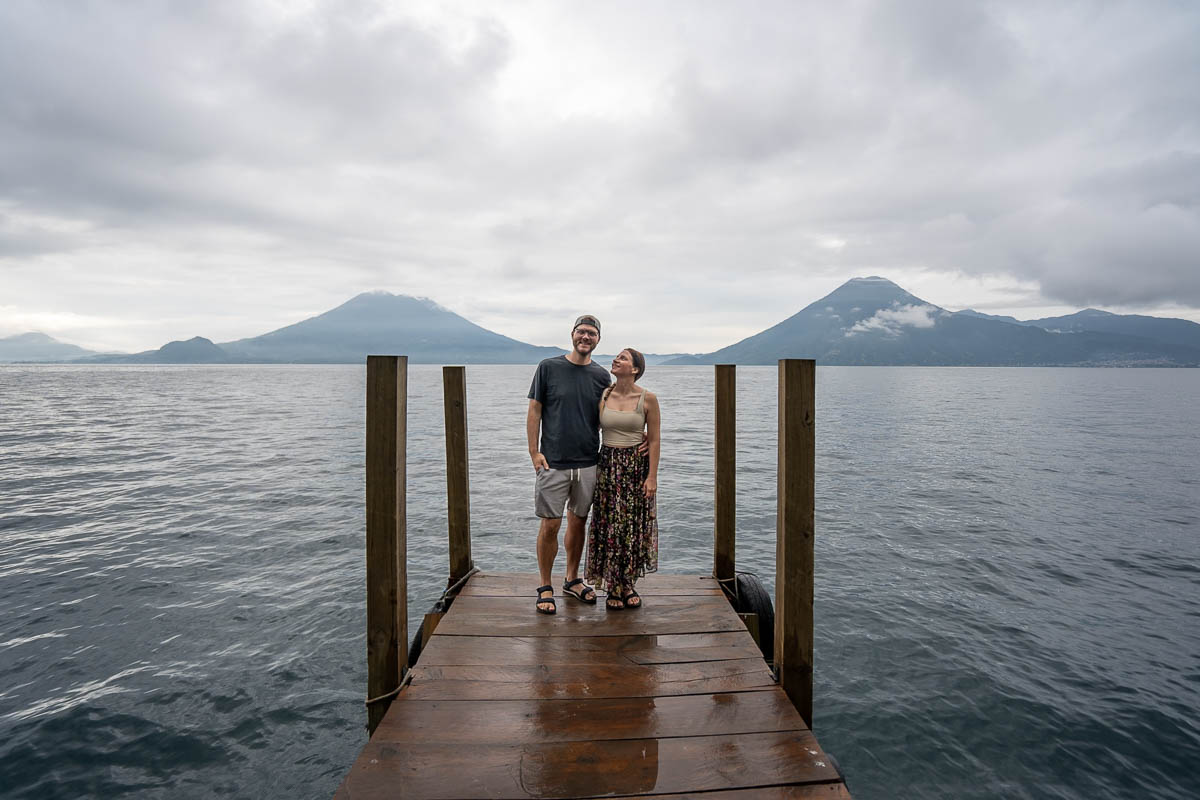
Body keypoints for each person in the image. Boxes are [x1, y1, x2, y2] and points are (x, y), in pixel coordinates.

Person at [526, 315, 611, 615]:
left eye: (592, 333)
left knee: (579, 521)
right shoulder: (548, 367)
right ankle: (544, 585)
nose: (585, 337)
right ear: (572, 335)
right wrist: (534, 452)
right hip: (554, 462)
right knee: (550, 524)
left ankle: (572, 578)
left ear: (598, 339)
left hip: (588, 461)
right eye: (581, 332)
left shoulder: (602, 377)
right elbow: (535, 410)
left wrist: (641, 433)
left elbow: (609, 417)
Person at [586, 347, 660, 610]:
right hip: (607, 465)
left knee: (631, 526)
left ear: (636, 369)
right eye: (616, 357)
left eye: (623, 358)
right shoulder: (604, 395)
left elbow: (654, 439)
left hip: (635, 467)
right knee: (609, 524)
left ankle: (627, 583)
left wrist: (652, 476)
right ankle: (613, 586)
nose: (616, 360)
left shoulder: (648, 398)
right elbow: (591, 427)